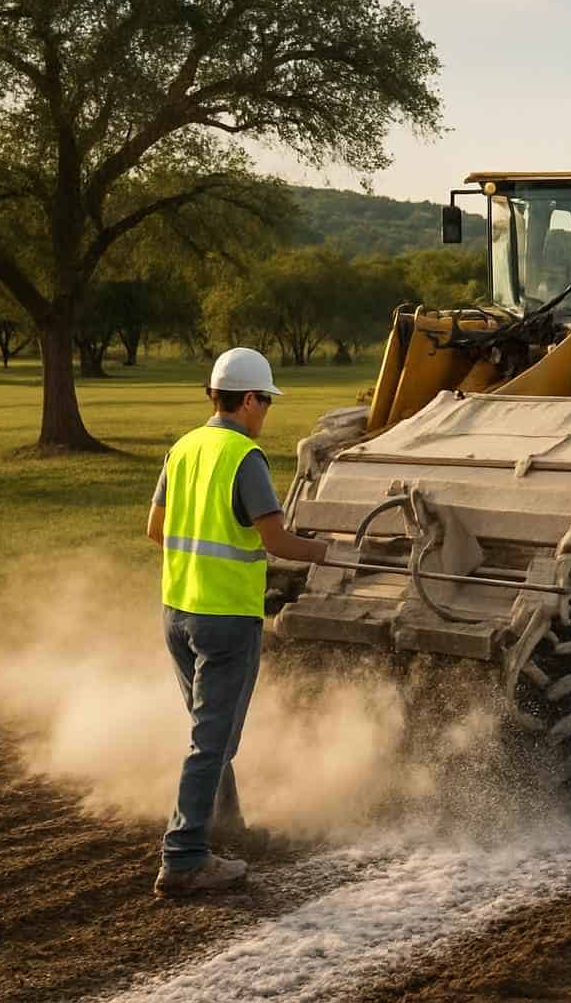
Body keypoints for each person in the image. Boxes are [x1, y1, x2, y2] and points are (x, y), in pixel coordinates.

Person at [145, 347, 328, 896]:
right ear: (248, 399)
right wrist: (329, 551)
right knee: (213, 741)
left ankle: (227, 824)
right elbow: (276, 540)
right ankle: (183, 857)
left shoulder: (183, 448)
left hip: (177, 612)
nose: (266, 412)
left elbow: (155, 529)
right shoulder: (244, 457)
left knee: (208, 732)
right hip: (226, 619)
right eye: (266, 402)